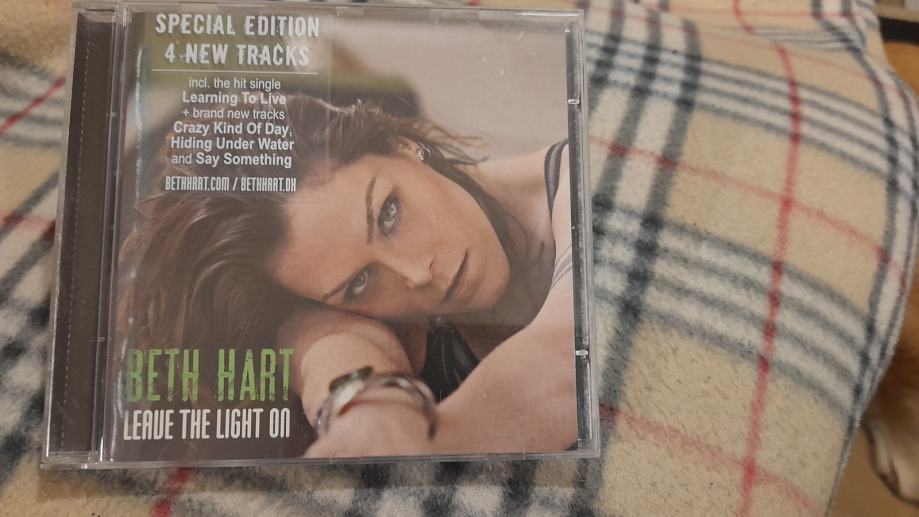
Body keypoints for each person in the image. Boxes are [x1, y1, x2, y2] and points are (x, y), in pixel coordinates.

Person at [120, 95, 578, 457]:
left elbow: (573, 357)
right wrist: (363, 410)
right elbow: (325, 351)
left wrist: (426, 444)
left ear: (401, 146)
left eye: (389, 214)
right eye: (359, 282)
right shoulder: (340, 317)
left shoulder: (582, 179)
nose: (416, 273)